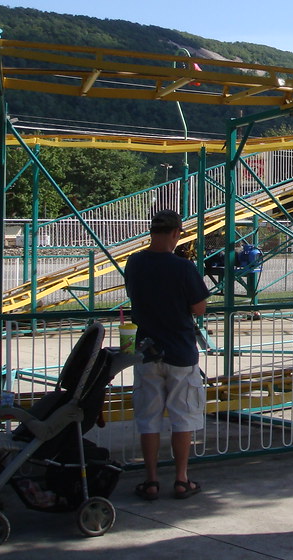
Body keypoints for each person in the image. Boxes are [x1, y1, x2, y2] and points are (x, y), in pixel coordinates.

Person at [125, 209, 209, 501]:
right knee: (183, 416)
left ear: (152, 231)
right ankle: (182, 478)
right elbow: (199, 307)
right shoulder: (183, 268)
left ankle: (150, 480)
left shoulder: (134, 263)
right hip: (180, 350)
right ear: (176, 233)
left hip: (146, 350)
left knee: (148, 418)